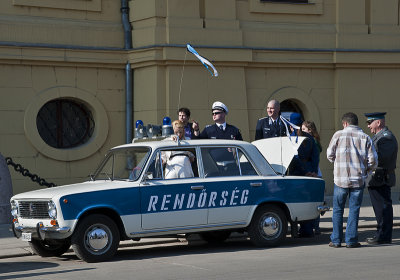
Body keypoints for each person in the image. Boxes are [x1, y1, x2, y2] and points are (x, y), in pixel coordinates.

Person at [327, 112, 377, 248]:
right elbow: (373, 160)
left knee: (338, 209)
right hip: (358, 180)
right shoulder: (365, 137)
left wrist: (338, 164)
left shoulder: (338, 135)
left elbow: (329, 154)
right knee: (354, 209)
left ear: (345, 123)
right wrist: (366, 171)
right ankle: (351, 240)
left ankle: (336, 240)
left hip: (340, 180)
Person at [364, 112, 398, 245]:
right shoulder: (379, 137)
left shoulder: (386, 138)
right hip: (377, 178)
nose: (368, 126)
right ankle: (382, 234)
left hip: (381, 178)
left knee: (382, 208)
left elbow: (381, 159)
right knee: (380, 207)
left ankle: (383, 235)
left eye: (369, 122)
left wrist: (365, 158)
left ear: (378, 122)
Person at [286, 113, 319, 238]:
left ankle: (302, 229)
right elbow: (315, 157)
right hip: (310, 172)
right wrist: (313, 171)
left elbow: (295, 159)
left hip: (297, 174)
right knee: (308, 201)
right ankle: (308, 229)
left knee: (297, 202)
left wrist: (304, 171)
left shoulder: (291, 138)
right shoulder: (309, 138)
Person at [302, 120, 323, 235]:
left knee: (314, 201)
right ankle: (316, 226)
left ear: (310, 130)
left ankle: (315, 225)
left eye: (304, 129)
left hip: (314, 172)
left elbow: (314, 158)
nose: (302, 131)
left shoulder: (312, 141)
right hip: (316, 171)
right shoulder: (312, 141)